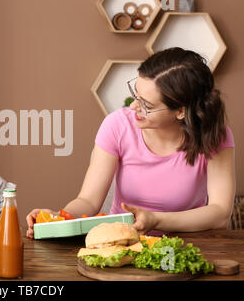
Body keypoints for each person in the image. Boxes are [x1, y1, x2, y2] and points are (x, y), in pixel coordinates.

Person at [26, 47, 236, 238]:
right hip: (123, 239)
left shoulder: (215, 136)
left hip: (188, 243)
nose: (134, 106)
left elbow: (219, 214)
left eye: (147, 105)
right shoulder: (117, 125)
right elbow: (89, 200)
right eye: (135, 94)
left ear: (181, 111)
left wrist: (157, 220)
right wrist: (59, 217)